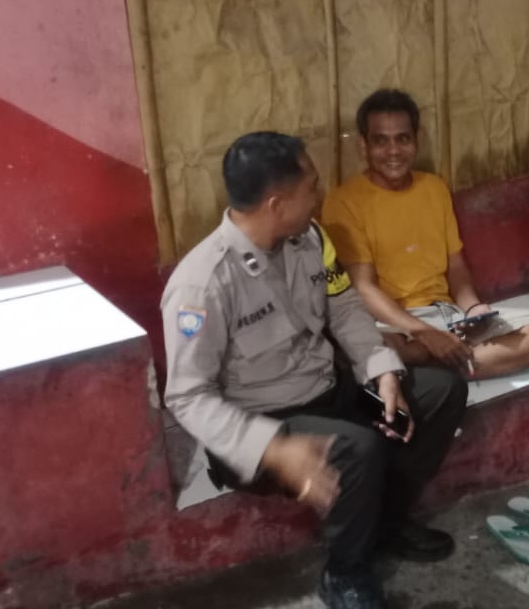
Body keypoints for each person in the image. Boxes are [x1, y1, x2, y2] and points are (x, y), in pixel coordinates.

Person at [162, 132, 466, 609]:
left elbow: (344, 308)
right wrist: (273, 448)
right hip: (262, 422)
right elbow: (187, 396)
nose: (319, 195)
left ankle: (384, 524)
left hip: (326, 390)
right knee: (358, 447)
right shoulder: (202, 285)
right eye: (311, 187)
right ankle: (345, 572)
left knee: (440, 392)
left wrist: (382, 370)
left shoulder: (309, 238)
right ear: (277, 204)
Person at [322, 89, 529, 379]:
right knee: (379, 346)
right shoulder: (344, 201)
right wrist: (422, 332)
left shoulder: (434, 188)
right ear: (363, 145)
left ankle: (433, 366)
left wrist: (473, 309)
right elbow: (364, 288)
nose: (393, 151)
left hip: (445, 316)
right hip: (393, 324)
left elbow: (456, 267)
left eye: (403, 139)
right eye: (381, 141)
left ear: (417, 140)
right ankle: (446, 362)